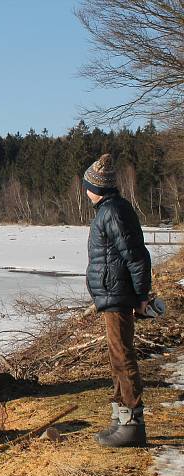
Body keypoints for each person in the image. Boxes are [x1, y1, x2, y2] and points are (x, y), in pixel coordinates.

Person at [83, 154, 152, 448]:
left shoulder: (112, 212)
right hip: (113, 295)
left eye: (86, 184)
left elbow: (136, 256)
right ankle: (121, 417)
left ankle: (133, 423)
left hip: (119, 295)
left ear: (95, 187)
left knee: (123, 357)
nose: (84, 189)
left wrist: (140, 296)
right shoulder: (109, 210)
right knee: (116, 358)